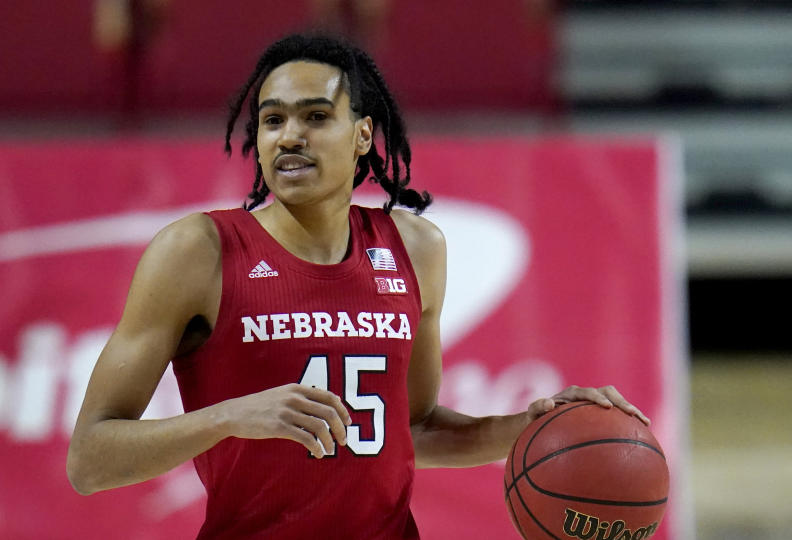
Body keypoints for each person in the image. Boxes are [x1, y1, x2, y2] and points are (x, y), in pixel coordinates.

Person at [66, 33, 649, 539]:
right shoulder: (197, 251)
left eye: (316, 117)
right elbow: (90, 460)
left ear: (363, 135)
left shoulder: (416, 249)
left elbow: (413, 430)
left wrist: (538, 428)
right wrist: (230, 418)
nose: (289, 136)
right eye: (272, 119)